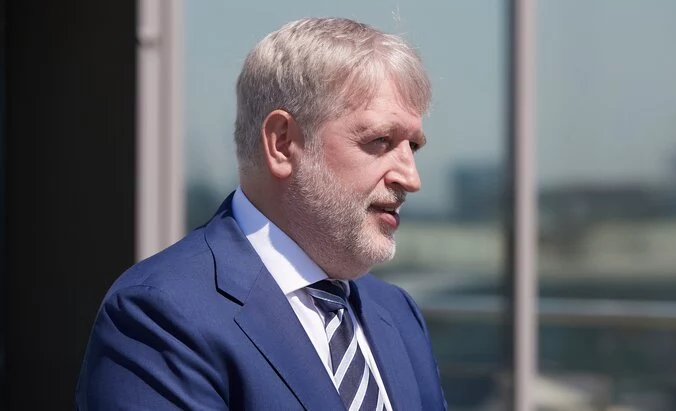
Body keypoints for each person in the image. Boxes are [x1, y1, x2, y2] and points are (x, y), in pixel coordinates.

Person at [76, 17, 445, 410]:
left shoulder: (397, 314)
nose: (411, 178)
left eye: (413, 147)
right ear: (282, 143)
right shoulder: (160, 315)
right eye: (380, 141)